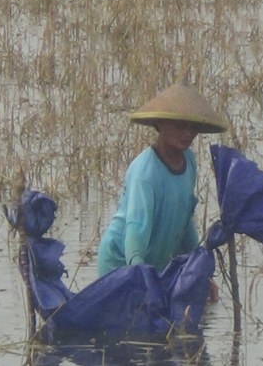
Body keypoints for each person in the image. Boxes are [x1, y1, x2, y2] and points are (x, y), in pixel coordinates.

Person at [97, 83, 227, 277]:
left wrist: (198, 272)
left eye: (194, 128)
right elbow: (136, 231)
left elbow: (184, 222)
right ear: (160, 124)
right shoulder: (145, 173)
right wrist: (140, 276)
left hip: (157, 261)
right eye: (181, 126)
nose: (188, 134)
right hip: (121, 261)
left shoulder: (189, 161)